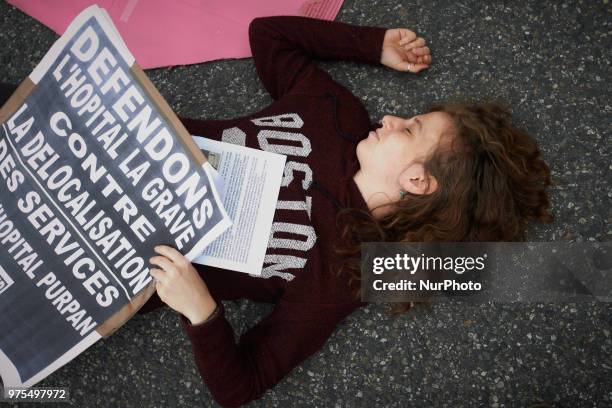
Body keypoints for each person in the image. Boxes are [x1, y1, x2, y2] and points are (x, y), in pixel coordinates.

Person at [0, 15, 553, 408]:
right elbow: (269, 34)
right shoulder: (335, 115)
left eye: (408, 129)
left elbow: (241, 385)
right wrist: (371, 45)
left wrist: (201, 311)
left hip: (78, 251)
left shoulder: (341, 275)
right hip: (84, 137)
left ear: (416, 182)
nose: (390, 116)